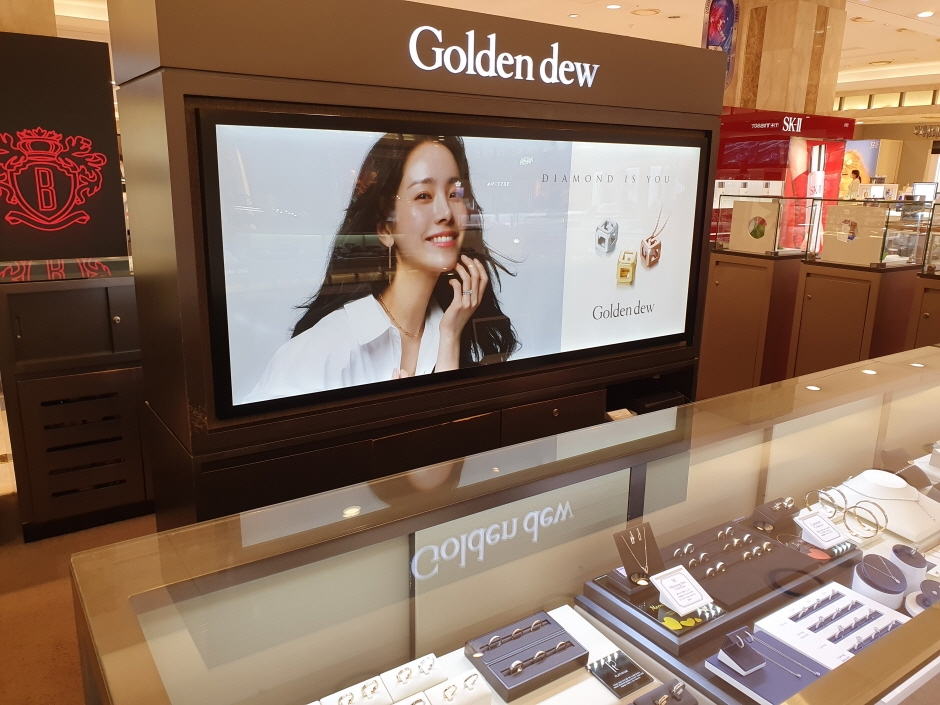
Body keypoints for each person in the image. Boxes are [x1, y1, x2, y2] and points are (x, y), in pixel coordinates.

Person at [244, 133, 519, 403]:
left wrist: (450, 338)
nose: (446, 212)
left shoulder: (449, 326)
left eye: (454, 193)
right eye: (423, 195)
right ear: (385, 228)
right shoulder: (326, 348)